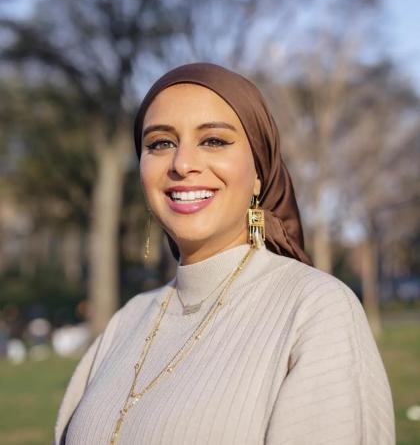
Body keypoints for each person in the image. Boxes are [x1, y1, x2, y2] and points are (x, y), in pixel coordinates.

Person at [55, 63, 395, 444]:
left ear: (258, 173)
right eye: (160, 143)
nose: (182, 164)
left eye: (213, 140)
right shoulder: (126, 322)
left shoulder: (315, 310)